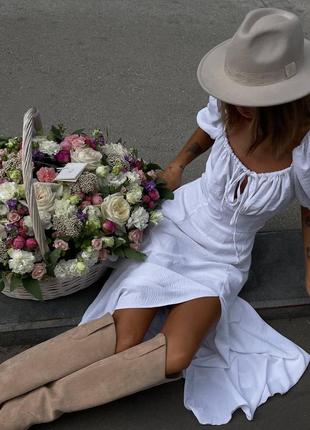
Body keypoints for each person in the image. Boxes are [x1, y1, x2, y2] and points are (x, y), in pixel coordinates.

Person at [0, 7, 310, 429]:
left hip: (224, 259)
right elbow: (207, 129)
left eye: (249, 99)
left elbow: (308, 210)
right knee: (126, 337)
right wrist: (179, 164)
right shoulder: (232, 105)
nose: (235, 104)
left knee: (177, 356)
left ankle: (25, 411)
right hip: (177, 225)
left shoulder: (304, 150)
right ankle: (9, 397)